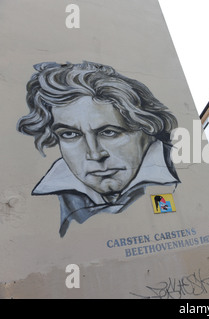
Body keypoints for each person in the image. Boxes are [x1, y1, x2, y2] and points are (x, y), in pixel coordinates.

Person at [17, 61, 180, 237]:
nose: (94, 154)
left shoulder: (180, 171)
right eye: (70, 134)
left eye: (109, 132)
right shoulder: (44, 205)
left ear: (147, 129)